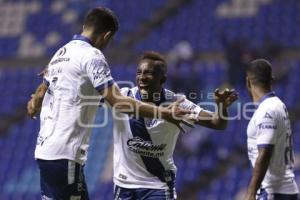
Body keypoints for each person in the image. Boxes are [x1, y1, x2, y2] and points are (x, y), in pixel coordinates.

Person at [27, 8, 190, 200]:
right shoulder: (92, 56)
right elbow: (119, 102)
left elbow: (35, 103)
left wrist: (38, 99)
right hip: (65, 154)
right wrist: (164, 113)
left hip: (44, 151)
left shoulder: (60, 54)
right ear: (106, 35)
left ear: (84, 26)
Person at [111, 51, 238, 200]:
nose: (142, 78)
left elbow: (217, 123)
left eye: (148, 73)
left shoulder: (177, 103)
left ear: (162, 78)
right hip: (124, 184)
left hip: (158, 185)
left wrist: (222, 107)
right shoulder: (123, 97)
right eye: (139, 72)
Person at [245, 59, 299, 200]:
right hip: (283, 189)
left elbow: (265, 154)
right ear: (272, 80)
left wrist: (251, 192)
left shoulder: (267, 110)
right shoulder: (277, 105)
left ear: (248, 82)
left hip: (273, 191)